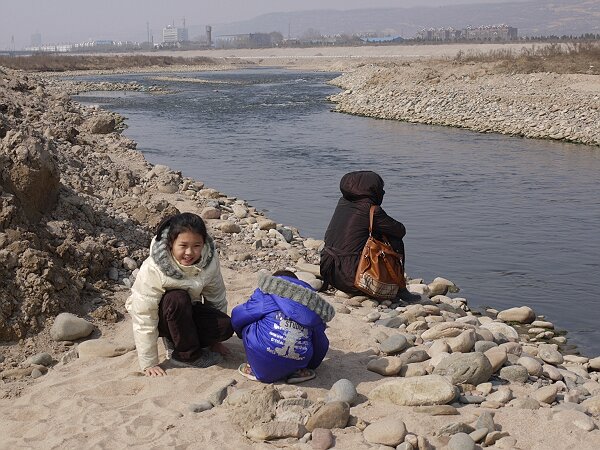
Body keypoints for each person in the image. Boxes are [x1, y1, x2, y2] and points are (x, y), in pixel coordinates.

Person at [126, 212, 233, 377]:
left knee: (225, 326)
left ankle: (181, 339)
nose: (189, 253)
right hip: (162, 315)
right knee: (177, 299)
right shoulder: (153, 268)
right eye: (183, 246)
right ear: (171, 243)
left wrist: (215, 342)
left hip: (189, 309)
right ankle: (185, 356)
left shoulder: (209, 259)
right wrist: (149, 362)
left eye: (196, 246)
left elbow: (216, 297)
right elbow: (144, 316)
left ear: (204, 244)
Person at [320, 170, 421, 303]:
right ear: (372, 190)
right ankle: (401, 288)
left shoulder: (343, 203)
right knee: (393, 237)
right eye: (381, 189)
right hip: (352, 279)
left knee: (372, 231)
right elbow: (400, 230)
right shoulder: (371, 210)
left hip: (329, 271)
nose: (383, 192)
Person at [231, 270, 335, 384]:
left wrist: (240, 333)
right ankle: (297, 372)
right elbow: (321, 342)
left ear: (274, 281)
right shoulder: (312, 305)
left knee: (248, 322)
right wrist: (312, 365)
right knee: (313, 333)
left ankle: (254, 369)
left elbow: (237, 316)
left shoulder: (265, 294)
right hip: (298, 359)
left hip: (262, 360)